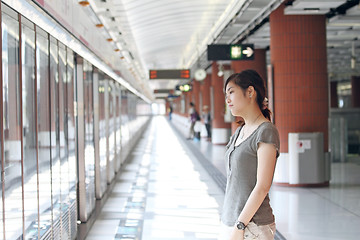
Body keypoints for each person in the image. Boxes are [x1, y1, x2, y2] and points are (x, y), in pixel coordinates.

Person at [219, 69, 280, 240]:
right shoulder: (240, 131)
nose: (227, 99)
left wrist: (240, 225)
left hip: (252, 226)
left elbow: (262, 186)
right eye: (226, 95)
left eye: (231, 92)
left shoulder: (266, 131)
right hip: (230, 221)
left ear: (250, 92)